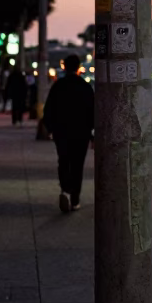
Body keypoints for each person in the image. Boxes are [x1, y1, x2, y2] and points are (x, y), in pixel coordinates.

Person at [43, 54, 94, 213]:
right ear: (79, 67)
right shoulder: (85, 87)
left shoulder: (58, 86)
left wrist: (51, 129)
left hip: (62, 131)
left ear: (64, 67)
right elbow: (93, 111)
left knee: (64, 160)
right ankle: (75, 199)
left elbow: (48, 109)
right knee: (77, 165)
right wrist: (91, 131)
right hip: (81, 132)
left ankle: (65, 189)